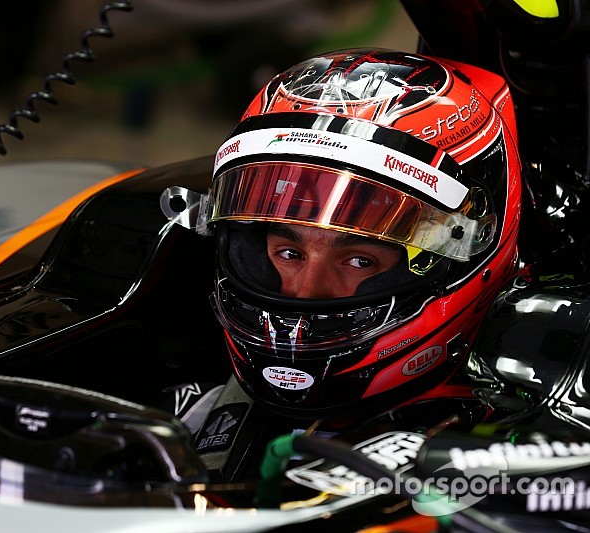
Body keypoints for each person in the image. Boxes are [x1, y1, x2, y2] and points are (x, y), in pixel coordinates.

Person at [162, 47, 523, 482]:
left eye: (358, 259)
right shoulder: (186, 418)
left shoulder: (527, 455)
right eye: (289, 253)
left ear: (464, 248)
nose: (306, 291)